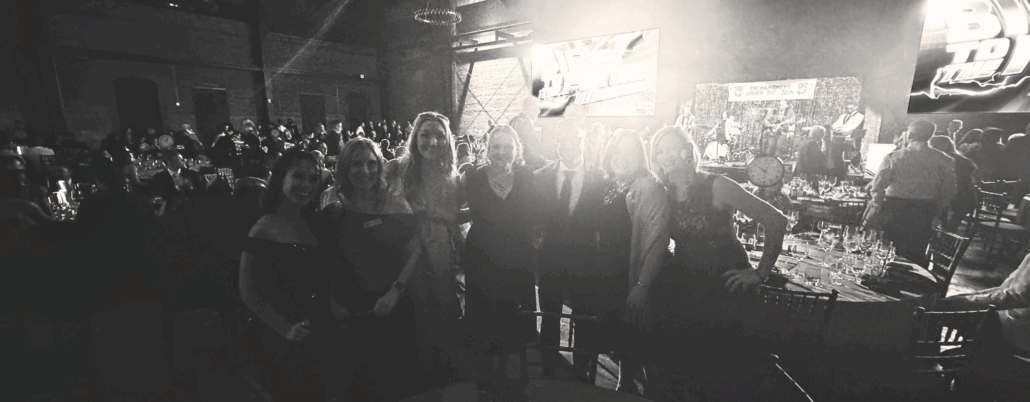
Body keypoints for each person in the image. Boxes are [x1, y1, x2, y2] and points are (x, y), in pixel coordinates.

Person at [648, 126, 787, 401]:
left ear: (687, 151)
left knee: (724, 372)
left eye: (672, 148)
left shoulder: (717, 185)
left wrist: (760, 273)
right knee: (685, 371)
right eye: (659, 151)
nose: (665, 156)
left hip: (726, 286)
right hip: (686, 284)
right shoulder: (663, 191)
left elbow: (776, 220)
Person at [238, 150, 351, 401]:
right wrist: (284, 328)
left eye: (313, 178)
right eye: (298, 176)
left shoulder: (317, 222)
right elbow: (248, 290)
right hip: (287, 336)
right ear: (281, 178)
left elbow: (328, 272)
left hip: (323, 327)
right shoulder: (263, 228)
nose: (306, 185)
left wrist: (333, 303)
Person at [327, 138, 421, 401]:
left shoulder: (396, 204)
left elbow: (415, 251)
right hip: (352, 305)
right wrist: (332, 300)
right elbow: (330, 260)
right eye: (356, 164)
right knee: (359, 380)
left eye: (371, 164)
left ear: (380, 167)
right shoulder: (335, 208)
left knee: (394, 377)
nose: (365, 171)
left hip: (394, 301)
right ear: (345, 168)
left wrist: (395, 291)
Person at [383, 111, 467, 389]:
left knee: (441, 318)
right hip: (403, 255)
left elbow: (455, 217)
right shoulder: (396, 169)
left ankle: (439, 379)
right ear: (414, 137)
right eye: (425, 135)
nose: (433, 141)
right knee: (410, 318)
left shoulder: (452, 177)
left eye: (440, 136)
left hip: (441, 256)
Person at [461, 125, 538, 395]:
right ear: (487, 148)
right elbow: (463, 209)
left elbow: (538, 213)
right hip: (482, 257)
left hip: (518, 259)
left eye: (508, 146)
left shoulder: (528, 176)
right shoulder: (473, 177)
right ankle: (488, 382)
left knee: (515, 319)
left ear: (517, 148)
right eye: (496, 146)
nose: (502, 151)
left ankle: (515, 383)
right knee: (485, 318)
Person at [532, 118, 610, 375]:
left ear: (584, 141)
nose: (569, 144)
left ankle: (583, 374)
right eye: (563, 139)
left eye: (575, 139)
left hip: (586, 265)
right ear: (556, 142)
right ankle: (548, 372)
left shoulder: (601, 178)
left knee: (585, 322)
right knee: (549, 319)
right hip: (550, 263)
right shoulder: (540, 177)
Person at [596, 128, 670, 395]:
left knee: (640, 338)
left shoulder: (648, 188)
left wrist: (642, 285)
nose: (623, 157)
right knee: (625, 337)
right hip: (611, 274)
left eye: (630, 152)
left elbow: (658, 241)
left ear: (641, 157)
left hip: (633, 274)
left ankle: (651, 392)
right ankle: (625, 383)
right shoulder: (611, 185)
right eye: (618, 151)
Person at [863, 120, 957, 265]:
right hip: (924, 211)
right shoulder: (944, 159)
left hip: (894, 209)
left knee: (887, 251)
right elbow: (949, 190)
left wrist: (877, 205)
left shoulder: (895, 157)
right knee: (915, 252)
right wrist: (937, 211)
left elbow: (877, 186)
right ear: (930, 136)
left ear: (910, 135)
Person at [937, 252, 1030, 393]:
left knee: (949, 314)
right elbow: (1005, 289)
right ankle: (964, 362)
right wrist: (965, 298)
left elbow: (1016, 296)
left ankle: (966, 368)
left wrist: (964, 302)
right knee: (948, 310)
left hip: (1019, 328)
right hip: (1012, 319)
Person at [928, 136, 977, 233]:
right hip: (967, 198)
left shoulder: (942, 158)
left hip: (954, 196)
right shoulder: (962, 159)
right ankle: (948, 233)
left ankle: (943, 233)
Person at [831, 102, 865, 168]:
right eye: (848, 108)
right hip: (839, 138)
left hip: (850, 139)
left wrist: (843, 130)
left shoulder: (860, 116)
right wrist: (836, 129)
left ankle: (848, 167)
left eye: (851, 108)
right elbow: (835, 125)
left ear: (855, 107)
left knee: (848, 155)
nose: (849, 109)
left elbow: (853, 126)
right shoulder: (843, 116)